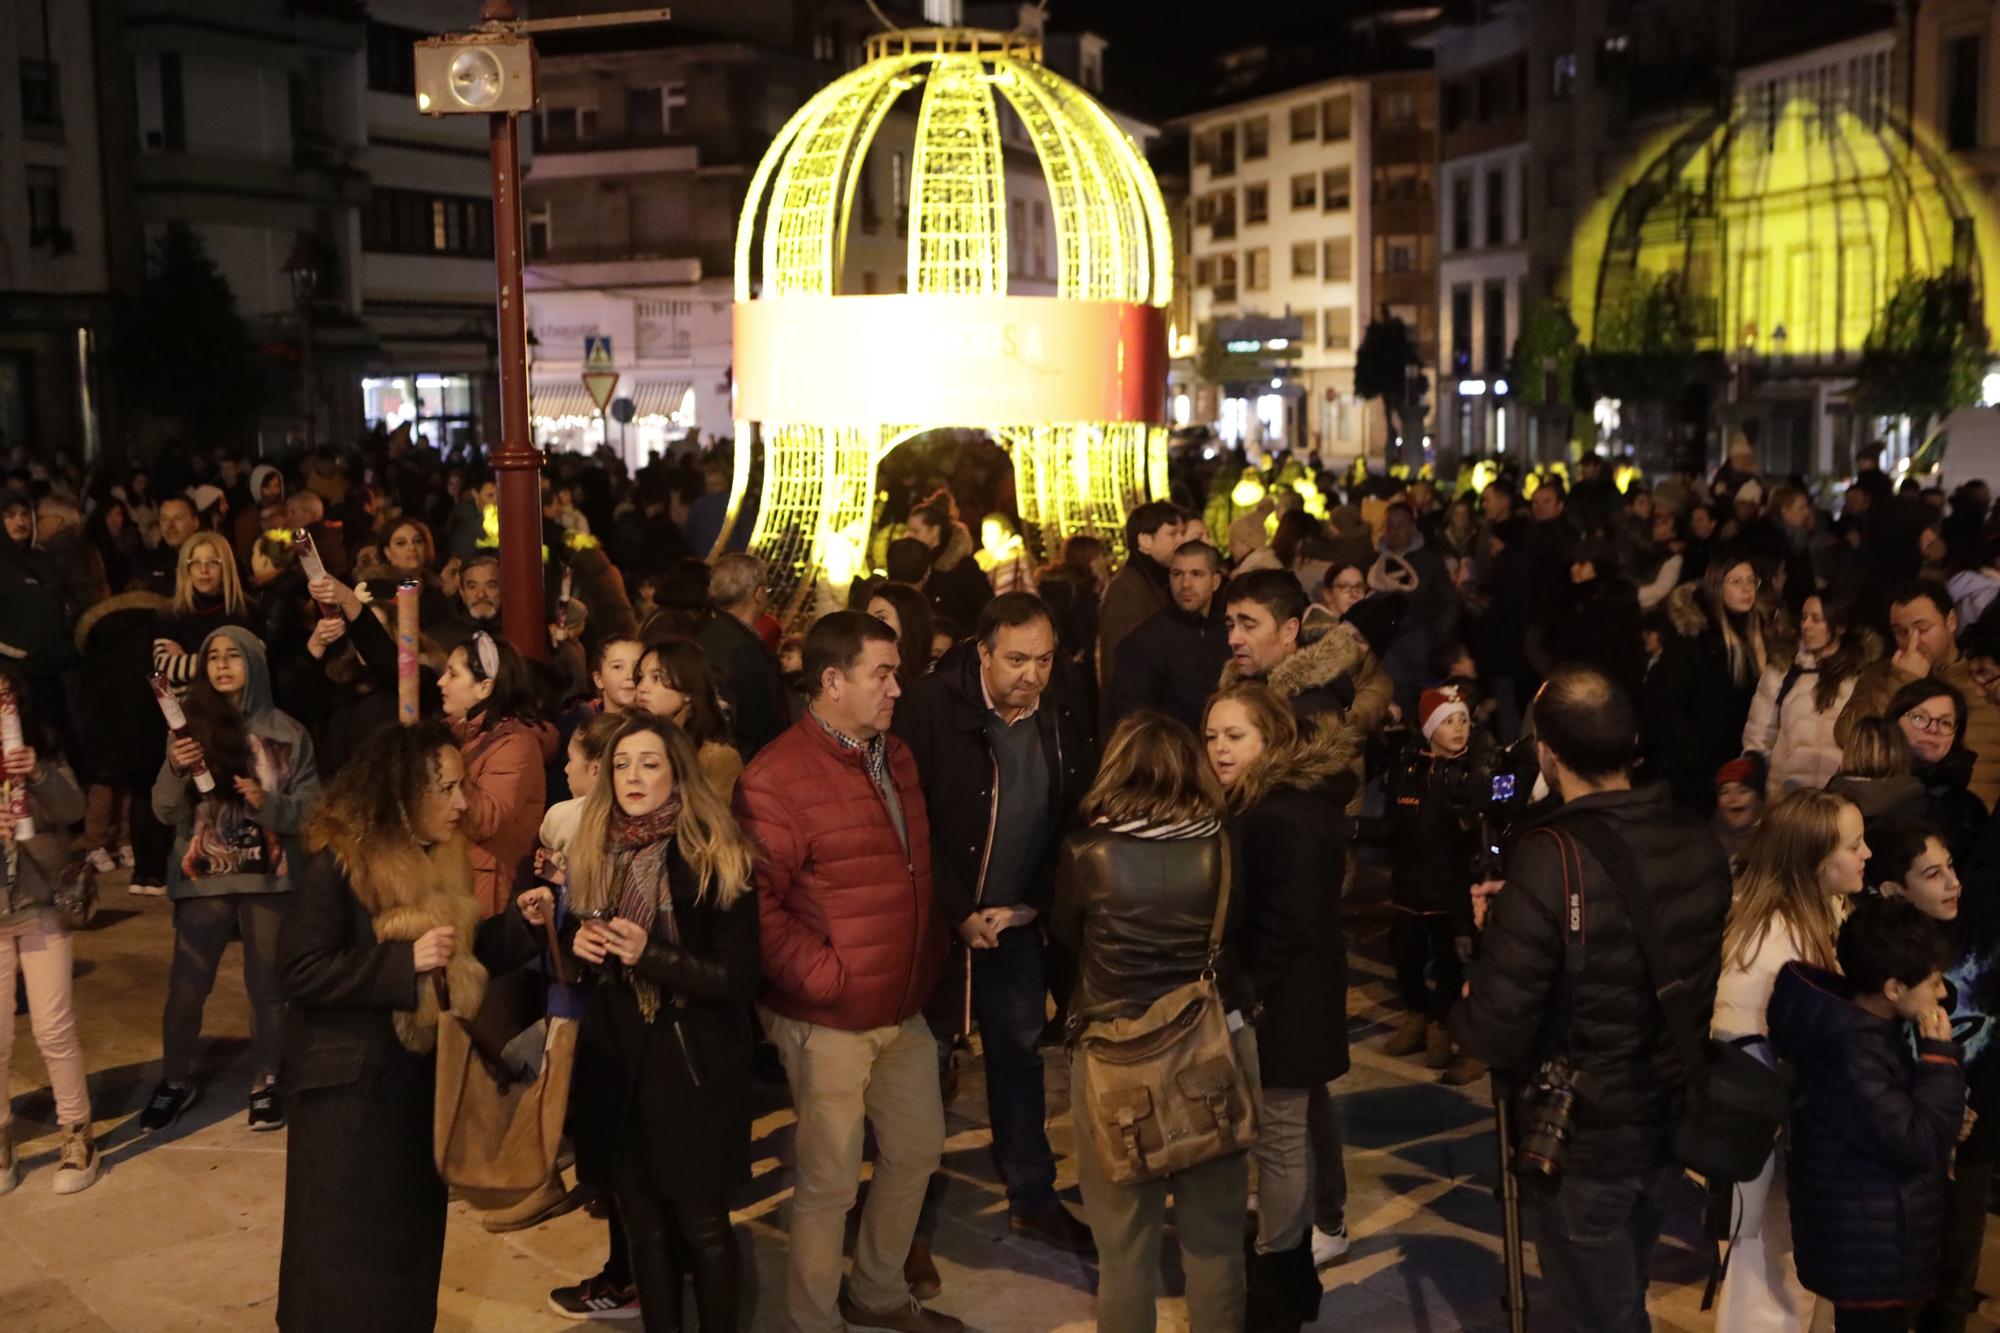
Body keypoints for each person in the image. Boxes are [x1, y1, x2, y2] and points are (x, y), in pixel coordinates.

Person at [1450, 664, 1732, 1330]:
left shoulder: (1551, 854)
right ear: (1631, 744)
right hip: (1667, 1116)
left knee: (1594, 1312)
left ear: (1548, 752)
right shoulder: (1695, 836)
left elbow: (1495, 1028)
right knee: (1622, 1291)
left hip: (1582, 1136)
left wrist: (1469, 986)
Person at [276, 720, 553, 1332]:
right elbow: (298, 970)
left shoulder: (442, 858)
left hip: (417, 1091)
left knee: (404, 1256)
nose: (463, 804)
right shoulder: (339, 862)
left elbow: (465, 955)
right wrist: (401, 963)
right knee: (337, 1266)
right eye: (448, 789)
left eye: (464, 786)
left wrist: (525, 926)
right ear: (402, 793)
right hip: (347, 1100)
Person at [731, 611, 957, 1333]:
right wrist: (828, 977)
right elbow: (758, 910)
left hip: (902, 1004)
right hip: (825, 1015)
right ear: (831, 682)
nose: (897, 688)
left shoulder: (895, 755)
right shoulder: (776, 776)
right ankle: (814, 1318)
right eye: (881, 674)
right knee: (828, 1180)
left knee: (917, 1147)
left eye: (897, 672)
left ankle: (880, 1290)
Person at [894, 592, 1097, 1273]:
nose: (1031, 675)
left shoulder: (1063, 701)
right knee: (920, 1068)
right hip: (935, 919)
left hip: (1016, 920)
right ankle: (904, 1220)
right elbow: (908, 816)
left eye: (1043, 659)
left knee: (1019, 1053)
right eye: (1015, 659)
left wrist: (1036, 902)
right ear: (982, 652)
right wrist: (957, 908)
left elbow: (1074, 805)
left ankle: (1032, 1193)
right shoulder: (929, 705)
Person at [1048, 712, 1251, 1333]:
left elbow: (1063, 942)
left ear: (1119, 767)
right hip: (1209, 1053)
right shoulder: (1221, 846)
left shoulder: (1087, 853)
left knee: (1124, 1255)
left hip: (1113, 1061)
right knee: (1216, 1246)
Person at [563, 714, 761, 1333]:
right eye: (621, 765)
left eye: (649, 763)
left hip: (692, 1064)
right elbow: (582, 945)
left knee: (702, 1227)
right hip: (617, 1062)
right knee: (642, 1227)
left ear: (677, 771)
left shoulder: (712, 850)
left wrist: (648, 954)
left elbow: (738, 978)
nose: (633, 777)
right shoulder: (596, 845)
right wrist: (576, 941)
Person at [1205, 683, 1356, 1316]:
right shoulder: (1280, 801)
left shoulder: (1277, 813)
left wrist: (1243, 994)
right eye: (1211, 736)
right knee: (1282, 1132)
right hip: (1297, 996)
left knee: (1283, 1136)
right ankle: (1283, 1263)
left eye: (1234, 736)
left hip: (1286, 1004)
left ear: (1270, 739)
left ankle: (1280, 1268)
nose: (1218, 749)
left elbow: (1282, 923)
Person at [143, 627, 321, 1133]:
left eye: (234, 657)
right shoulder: (187, 731)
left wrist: (273, 805)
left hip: (269, 878)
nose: (222, 665)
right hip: (204, 878)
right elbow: (163, 810)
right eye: (213, 657)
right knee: (186, 987)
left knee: (268, 988)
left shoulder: (289, 733)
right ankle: (175, 1079)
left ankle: (267, 1079)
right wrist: (175, 771)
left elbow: (315, 810)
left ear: (255, 666)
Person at [1709, 789, 1871, 1332]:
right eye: (1854, 844)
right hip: (1770, 1154)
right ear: (1815, 860)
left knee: (1798, 1292)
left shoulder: (1826, 916)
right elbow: (1742, 1059)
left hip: (1804, 1148)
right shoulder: (1772, 943)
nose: (1867, 853)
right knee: (1767, 1292)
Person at [1767, 897, 1966, 1333]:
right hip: (1869, 1251)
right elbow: (1919, 1142)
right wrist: (1940, 1060)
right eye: (1932, 982)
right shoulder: (1852, 1051)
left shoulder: (1866, 1030)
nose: (1941, 993)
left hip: (1877, 1239)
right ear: (1893, 988)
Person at [0, 684, 97, 1195]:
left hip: (40, 904)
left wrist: (36, 774)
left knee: (53, 1028)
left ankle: (77, 1134)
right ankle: (2, 1145)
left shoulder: (38, 747)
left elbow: (73, 806)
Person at [1370, 685, 1490, 1084]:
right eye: (1449, 721)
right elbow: (1391, 824)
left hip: (1452, 890)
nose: (1458, 729)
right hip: (1409, 885)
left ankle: (1442, 1022)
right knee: (1404, 954)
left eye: (1463, 721)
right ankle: (1416, 1014)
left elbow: (1479, 834)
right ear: (1429, 728)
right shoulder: (1408, 768)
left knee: (1450, 961)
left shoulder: (1473, 770)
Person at [1840, 579, 2000, 809]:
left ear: (1951, 621)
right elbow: (1848, 737)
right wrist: (1903, 681)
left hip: (1978, 821)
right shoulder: (1882, 675)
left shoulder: (1984, 679)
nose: (1912, 641)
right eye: (1901, 632)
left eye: (1923, 629)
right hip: (1902, 819)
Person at [438, 630, 551, 917]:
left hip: (486, 888)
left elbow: (484, 820)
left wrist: (448, 770)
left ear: (484, 687)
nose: (442, 682)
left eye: (452, 674)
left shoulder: (515, 745)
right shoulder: (457, 733)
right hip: (450, 877)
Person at [1743, 592, 1876, 797]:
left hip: (1840, 798)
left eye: (1816, 619)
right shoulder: (1784, 670)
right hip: (1788, 797)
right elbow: (1759, 735)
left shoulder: (1861, 675)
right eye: (1804, 617)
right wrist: (1756, 780)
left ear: (1839, 627)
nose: (1806, 625)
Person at [1106, 539, 1231, 733]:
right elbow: (1133, 721)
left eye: (1196, 574)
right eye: (1177, 574)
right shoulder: (1144, 642)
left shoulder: (1230, 632)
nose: (1186, 584)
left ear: (1215, 582)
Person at [1885, 676, 1988, 865]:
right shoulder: (1863, 785)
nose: (1933, 729)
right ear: (1894, 722)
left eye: (1946, 722)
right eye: (1918, 717)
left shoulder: (1969, 809)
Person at [1096, 501, 1184, 717]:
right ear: (1145, 540)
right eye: (1172, 534)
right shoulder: (1128, 590)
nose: (1181, 541)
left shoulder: (1152, 581)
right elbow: (1126, 668)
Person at [697, 552, 788, 760]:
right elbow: (759, 721)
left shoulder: (703, 632)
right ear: (758, 593)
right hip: (745, 761)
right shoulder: (744, 650)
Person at [633, 636, 744, 797]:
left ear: (687, 690)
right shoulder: (628, 736)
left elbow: (716, 819)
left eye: (656, 678)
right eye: (641, 677)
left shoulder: (716, 758)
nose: (642, 688)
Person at [153, 530, 259, 688]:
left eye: (213, 562)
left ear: (226, 567)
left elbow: (253, 665)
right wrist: (225, 662)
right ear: (186, 569)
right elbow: (164, 670)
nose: (203, 570)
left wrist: (188, 662)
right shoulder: (170, 614)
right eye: (195, 562)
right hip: (187, 708)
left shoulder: (247, 610)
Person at [907, 493, 993, 636]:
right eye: (909, 530)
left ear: (934, 530)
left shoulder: (964, 568)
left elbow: (985, 611)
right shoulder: (915, 564)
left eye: (915, 531)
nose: (909, 536)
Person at [868, 580, 940, 693]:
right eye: (867, 618)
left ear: (907, 621)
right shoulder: (867, 669)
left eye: (881, 618)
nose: (870, 625)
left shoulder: (933, 676)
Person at [435, 552, 502, 652]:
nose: (481, 595)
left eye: (490, 586)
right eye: (472, 587)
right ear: (462, 593)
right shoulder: (440, 639)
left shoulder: (521, 632)